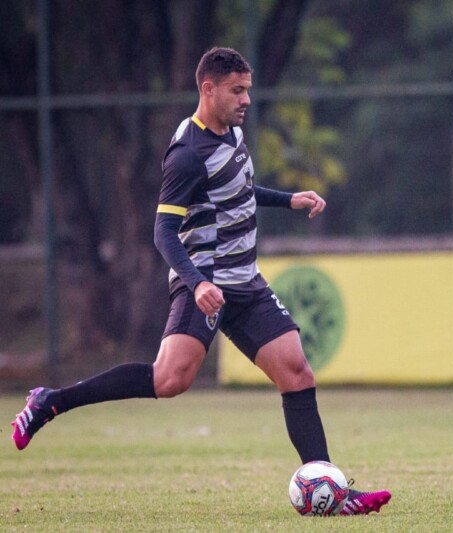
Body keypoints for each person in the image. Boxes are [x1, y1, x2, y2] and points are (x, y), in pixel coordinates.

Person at [11, 47, 390, 517]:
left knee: (297, 372)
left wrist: (288, 199)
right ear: (208, 89)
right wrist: (195, 284)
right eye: (237, 90)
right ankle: (51, 402)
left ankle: (329, 491)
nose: (246, 99)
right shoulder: (186, 155)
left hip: (245, 282)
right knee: (169, 379)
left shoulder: (231, 131)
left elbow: (235, 187)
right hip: (206, 281)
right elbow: (163, 231)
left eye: (247, 90)